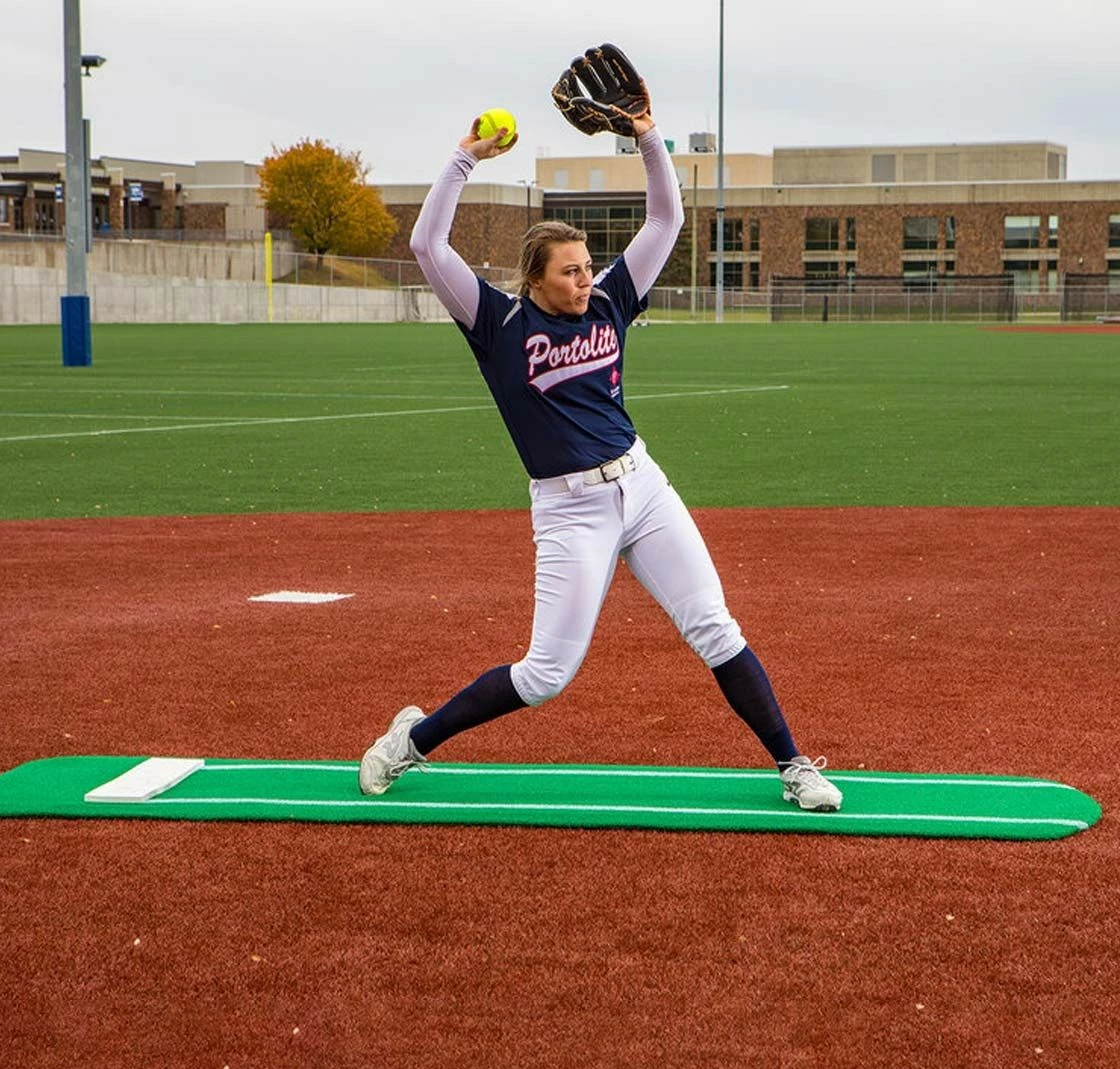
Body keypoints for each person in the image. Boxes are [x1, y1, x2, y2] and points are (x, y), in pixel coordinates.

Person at [359, 85, 842, 814]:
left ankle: (794, 765)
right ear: (536, 279)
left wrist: (647, 135)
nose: (587, 279)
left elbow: (666, 218)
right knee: (545, 675)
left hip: (643, 487)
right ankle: (411, 741)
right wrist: (464, 157)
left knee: (714, 627)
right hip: (569, 510)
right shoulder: (497, 322)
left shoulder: (612, 298)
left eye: (589, 266)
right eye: (571, 271)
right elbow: (427, 246)